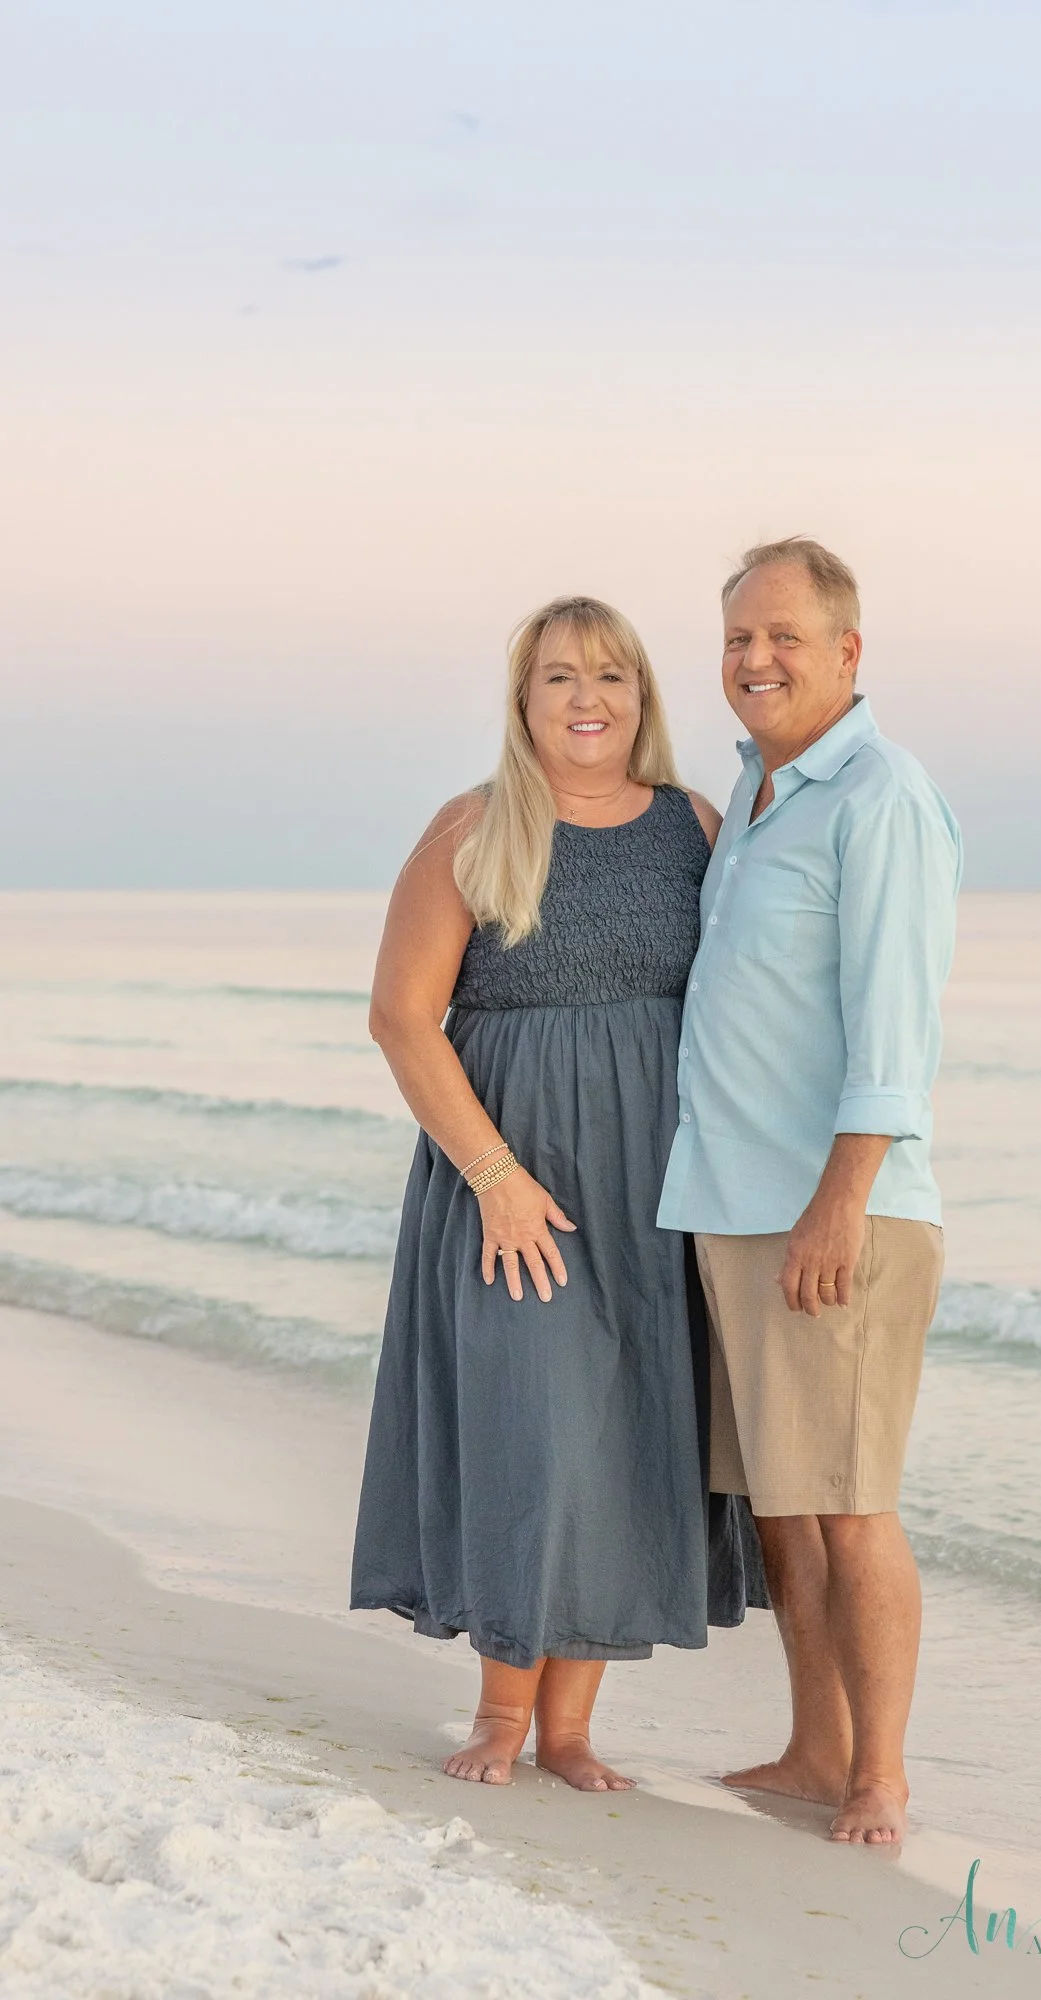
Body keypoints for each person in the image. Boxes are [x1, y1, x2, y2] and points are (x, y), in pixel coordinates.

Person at [350, 594, 731, 1793]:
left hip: (653, 1186)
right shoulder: (474, 825)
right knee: (538, 1428)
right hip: (509, 1181)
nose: (587, 698)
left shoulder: (695, 826)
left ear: (641, 698)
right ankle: (499, 1710)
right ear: (523, 698)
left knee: (620, 1437)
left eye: (611, 676)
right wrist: (496, 1178)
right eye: (560, 675)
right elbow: (401, 1018)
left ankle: (568, 1727)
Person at [657, 537, 961, 1845]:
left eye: (782, 636)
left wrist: (838, 1202)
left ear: (847, 652)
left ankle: (879, 1778)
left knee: (849, 1502)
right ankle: (810, 1748)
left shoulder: (878, 796)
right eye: (735, 638)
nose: (754, 659)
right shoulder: (756, 795)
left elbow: (892, 1031)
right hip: (731, 1206)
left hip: (833, 1211)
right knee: (783, 1503)